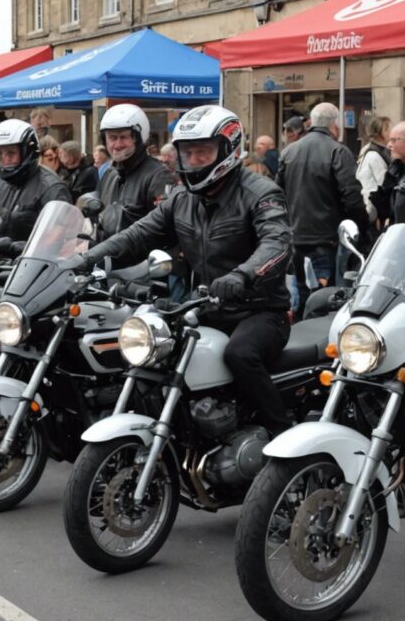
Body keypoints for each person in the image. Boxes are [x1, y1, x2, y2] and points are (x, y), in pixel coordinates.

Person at [81, 106, 294, 436]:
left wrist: (242, 275)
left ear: (229, 150)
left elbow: (277, 244)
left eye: (203, 152)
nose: (193, 160)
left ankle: (280, 435)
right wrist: (85, 259)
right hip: (205, 306)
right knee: (149, 349)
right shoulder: (182, 198)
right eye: (187, 152)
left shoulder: (260, 193)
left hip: (259, 310)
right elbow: (136, 234)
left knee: (240, 355)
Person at [276, 102, 367, 317]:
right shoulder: (338, 151)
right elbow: (352, 198)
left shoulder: (289, 151)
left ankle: (299, 337)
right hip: (326, 239)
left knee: (300, 297)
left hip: (296, 238)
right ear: (335, 125)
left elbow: (277, 195)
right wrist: (361, 229)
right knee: (326, 300)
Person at [0, 119, 73, 241]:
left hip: (33, 258)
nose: (4, 159)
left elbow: (61, 234)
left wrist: (26, 248)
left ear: (28, 152)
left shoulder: (51, 187)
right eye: (0, 153)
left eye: (11, 153)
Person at [95, 104, 173, 235]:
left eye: (124, 137)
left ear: (138, 138)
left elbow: (163, 227)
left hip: (139, 254)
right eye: (112, 138)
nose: (117, 145)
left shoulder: (158, 176)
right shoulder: (110, 173)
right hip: (106, 253)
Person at [355, 115, 391, 226]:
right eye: (387, 129)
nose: (391, 132)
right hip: (374, 209)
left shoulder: (370, 149)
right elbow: (384, 183)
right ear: (380, 132)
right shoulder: (374, 155)